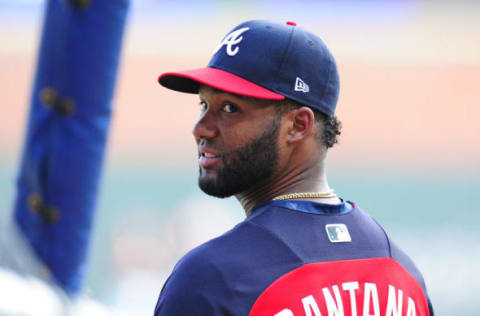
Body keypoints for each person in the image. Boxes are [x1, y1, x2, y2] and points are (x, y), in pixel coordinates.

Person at [155, 20, 434, 316]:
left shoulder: (212, 279)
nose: (201, 129)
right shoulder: (402, 273)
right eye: (203, 105)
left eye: (229, 109)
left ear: (299, 125)